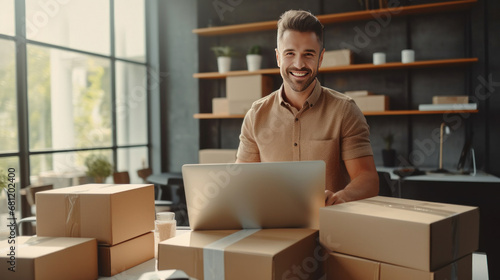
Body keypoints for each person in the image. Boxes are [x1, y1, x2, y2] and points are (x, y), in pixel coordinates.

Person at [235, 10, 379, 205]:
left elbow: (368, 179)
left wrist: (339, 198)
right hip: (273, 227)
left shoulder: (345, 110)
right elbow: (241, 181)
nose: (299, 64)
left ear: (320, 58)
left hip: (330, 227)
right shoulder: (256, 115)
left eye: (308, 54)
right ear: (278, 58)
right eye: (290, 53)